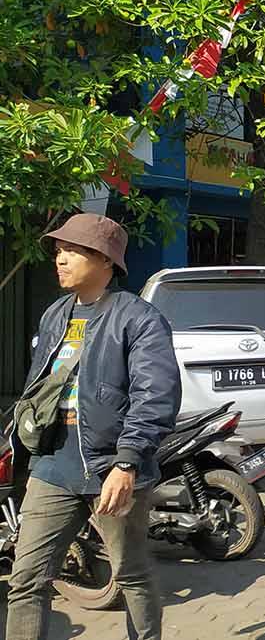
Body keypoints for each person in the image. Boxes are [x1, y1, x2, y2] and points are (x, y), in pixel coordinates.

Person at [7, 214, 180, 640]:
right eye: (59, 251)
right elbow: (42, 387)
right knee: (26, 578)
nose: (60, 259)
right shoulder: (55, 314)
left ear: (104, 260)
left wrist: (127, 463)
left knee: (130, 575)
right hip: (53, 466)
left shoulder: (137, 317)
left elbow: (155, 395)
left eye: (72, 251)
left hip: (111, 466)